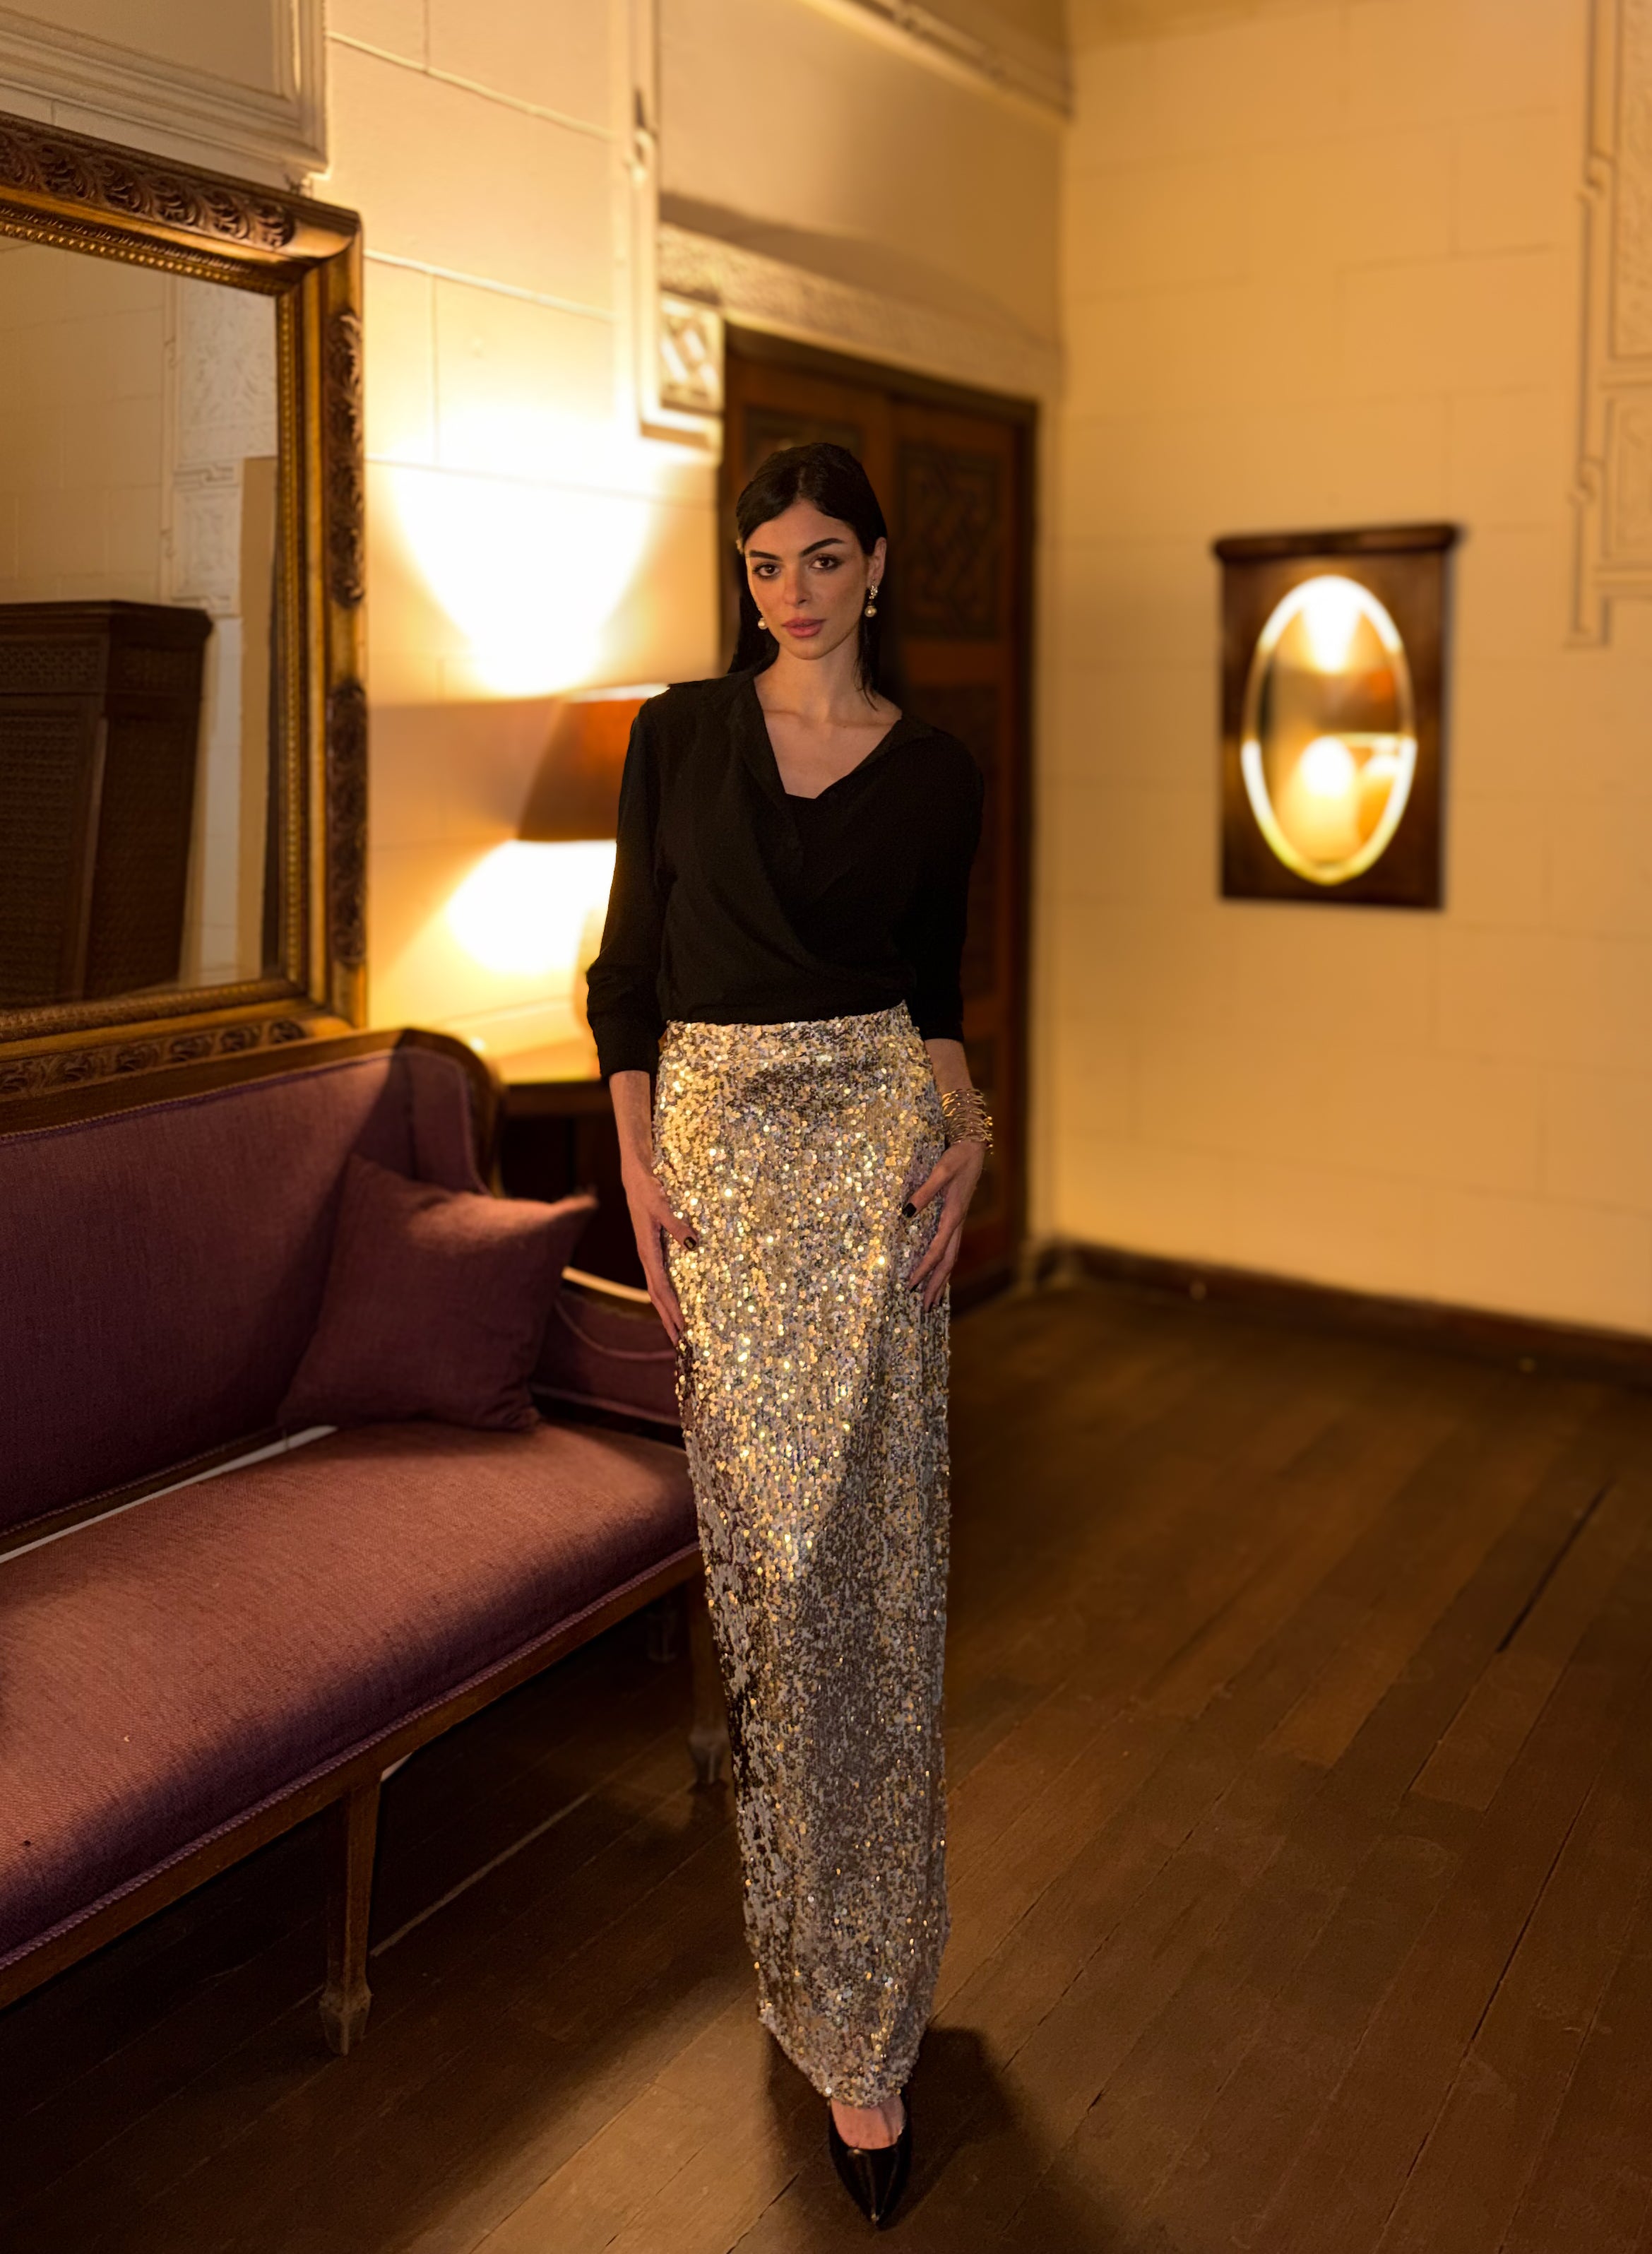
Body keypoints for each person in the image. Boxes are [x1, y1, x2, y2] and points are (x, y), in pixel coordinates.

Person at [586, 441, 989, 2229]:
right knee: (778, 1583)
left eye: (823, 558)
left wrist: (977, 1140)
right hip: (727, 1180)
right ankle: (808, 1958)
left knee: (880, 1588)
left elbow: (941, 1010)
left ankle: (874, 2024)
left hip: (881, 1168)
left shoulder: (940, 770)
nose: (792, 592)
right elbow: (627, 982)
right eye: (763, 566)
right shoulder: (672, 740)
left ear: (877, 569)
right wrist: (639, 1177)